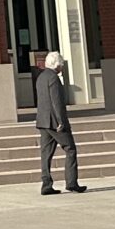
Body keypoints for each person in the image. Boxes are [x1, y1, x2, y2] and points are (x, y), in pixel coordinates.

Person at [35, 50, 86, 195]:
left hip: (43, 121)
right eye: (61, 65)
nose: (62, 68)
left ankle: (46, 184)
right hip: (54, 121)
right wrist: (61, 121)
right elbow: (56, 101)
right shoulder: (54, 79)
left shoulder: (41, 77)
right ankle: (71, 182)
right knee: (70, 149)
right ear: (57, 65)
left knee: (46, 154)